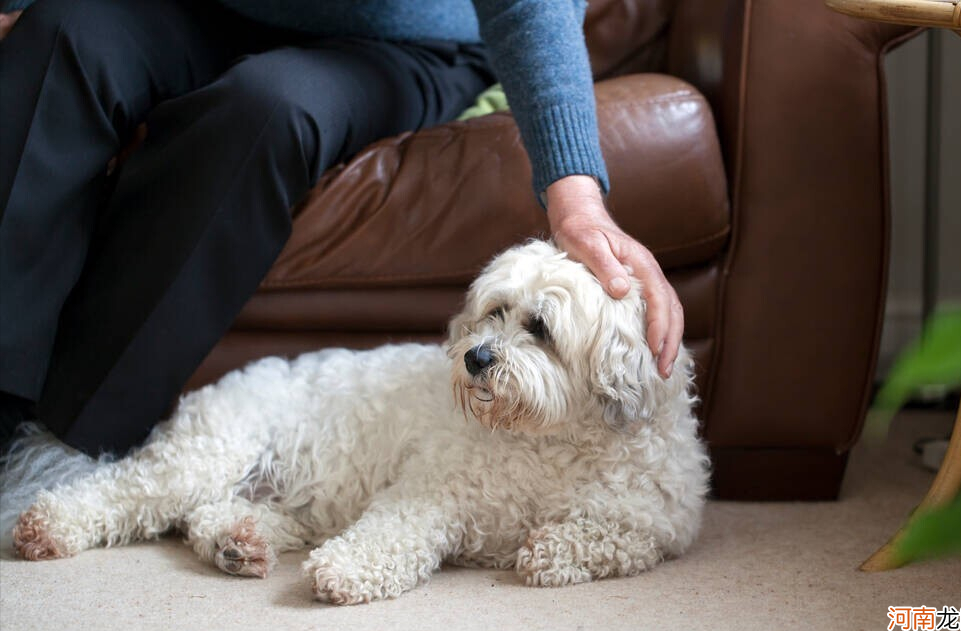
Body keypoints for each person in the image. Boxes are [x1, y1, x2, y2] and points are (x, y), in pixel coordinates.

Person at [0, 0, 685, 459]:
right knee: (59, 32)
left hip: (398, 34)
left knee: (265, 110)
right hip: (205, 7)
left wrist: (576, 196)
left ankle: (68, 447)